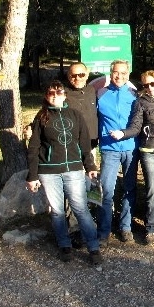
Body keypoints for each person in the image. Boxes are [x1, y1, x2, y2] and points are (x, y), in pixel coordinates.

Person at [25, 80, 102, 265]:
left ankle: (93, 247)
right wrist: (32, 176)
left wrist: (90, 166)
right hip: (49, 171)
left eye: (59, 93)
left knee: (81, 209)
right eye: (51, 93)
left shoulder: (75, 115)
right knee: (58, 211)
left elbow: (84, 144)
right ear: (46, 96)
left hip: (74, 169)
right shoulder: (41, 117)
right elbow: (34, 147)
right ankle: (64, 245)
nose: (55, 96)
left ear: (64, 95)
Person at [112, 70, 154, 245]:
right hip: (150, 152)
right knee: (153, 192)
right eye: (145, 85)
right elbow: (136, 127)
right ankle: (151, 228)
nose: (149, 88)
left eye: (153, 83)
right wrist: (123, 133)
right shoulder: (140, 103)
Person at [96, 59, 139, 246]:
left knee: (130, 189)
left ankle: (126, 227)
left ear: (128, 75)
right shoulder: (100, 94)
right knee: (106, 190)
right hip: (109, 149)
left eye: (123, 73)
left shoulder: (135, 95)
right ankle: (103, 230)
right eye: (116, 72)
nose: (119, 76)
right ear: (110, 72)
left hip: (131, 148)